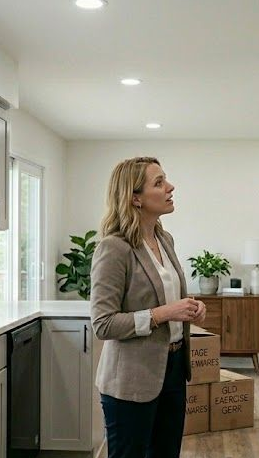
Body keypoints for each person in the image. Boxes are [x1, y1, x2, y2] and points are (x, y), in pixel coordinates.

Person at [90, 156, 207, 458]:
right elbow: (103, 323)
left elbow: (167, 297)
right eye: (159, 182)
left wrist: (191, 309)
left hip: (174, 369)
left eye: (165, 179)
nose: (170, 187)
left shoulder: (164, 238)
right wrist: (164, 314)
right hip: (130, 379)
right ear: (134, 197)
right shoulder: (114, 247)